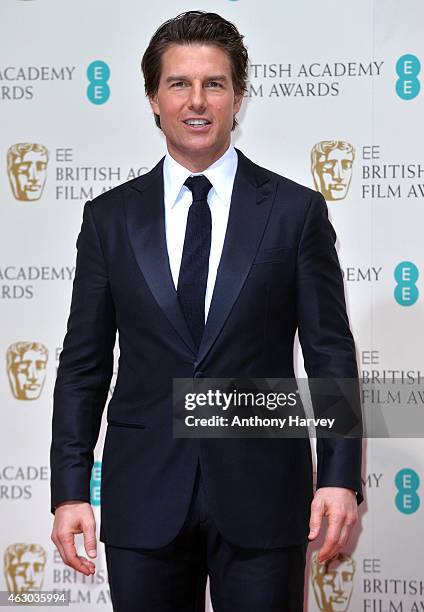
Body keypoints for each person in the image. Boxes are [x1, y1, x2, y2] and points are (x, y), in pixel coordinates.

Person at [50, 11, 363, 612]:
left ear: (238, 97)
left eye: (214, 84)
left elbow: (330, 354)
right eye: (179, 84)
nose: (197, 101)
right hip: (143, 492)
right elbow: (82, 365)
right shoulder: (109, 219)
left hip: (264, 491)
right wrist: (69, 490)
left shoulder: (295, 213)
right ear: (153, 99)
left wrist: (339, 476)